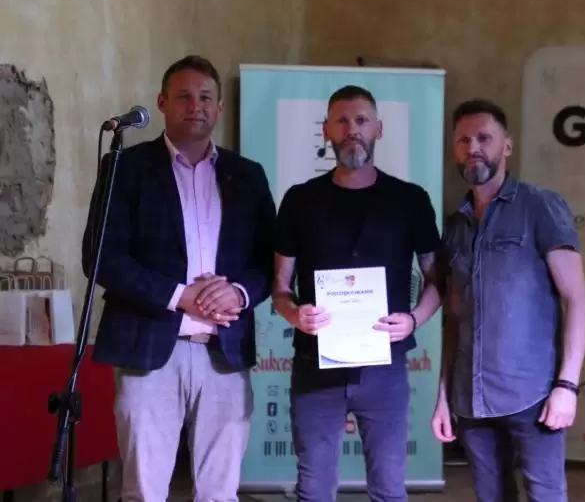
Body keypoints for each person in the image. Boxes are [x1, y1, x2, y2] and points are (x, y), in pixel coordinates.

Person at [81, 55, 277, 501]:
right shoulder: (125, 167)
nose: (196, 106)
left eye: (206, 97)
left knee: (219, 492)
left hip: (224, 352)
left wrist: (240, 292)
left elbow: (272, 260)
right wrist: (179, 296)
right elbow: (101, 256)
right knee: (144, 490)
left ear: (219, 107)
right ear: (162, 103)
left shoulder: (247, 175)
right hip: (149, 350)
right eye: (184, 96)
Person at [272, 85, 442, 502]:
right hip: (315, 366)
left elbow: (438, 280)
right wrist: (294, 314)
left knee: (389, 488)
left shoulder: (410, 200)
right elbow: (279, 287)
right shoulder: (299, 200)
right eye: (342, 121)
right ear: (326, 130)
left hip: (385, 368)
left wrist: (414, 319)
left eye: (362, 121)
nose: (353, 130)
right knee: (313, 489)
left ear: (378, 129)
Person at [430, 99, 585, 502]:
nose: (473, 148)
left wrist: (567, 386)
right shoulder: (455, 226)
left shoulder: (540, 207)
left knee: (545, 496)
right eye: (463, 140)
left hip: (533, 394)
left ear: (507, 146)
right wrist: (443, 396)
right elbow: (454, 317)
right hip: (471, 399)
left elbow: (577, 299)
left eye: (484, 138)